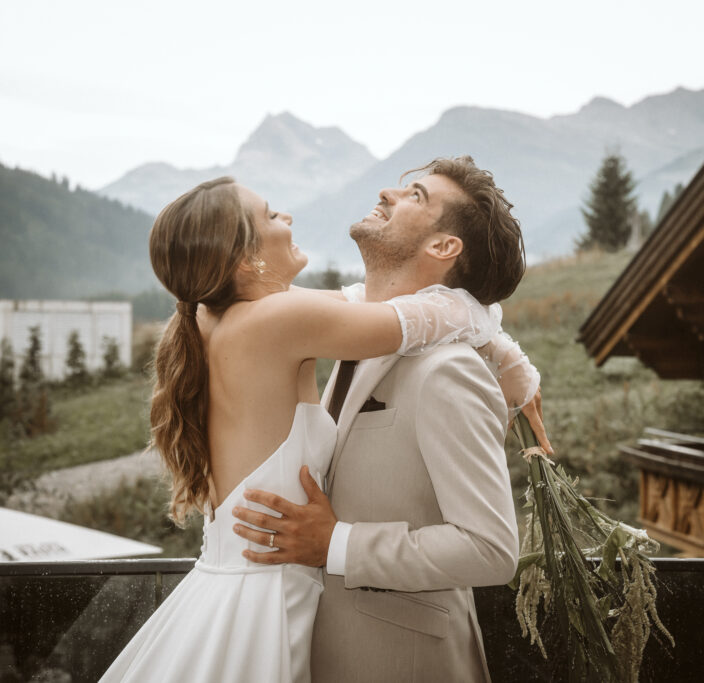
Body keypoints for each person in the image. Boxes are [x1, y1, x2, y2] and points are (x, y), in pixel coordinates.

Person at [99, 168, 544, 682]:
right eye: (269, 214)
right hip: (262, 608)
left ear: (446, 245)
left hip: (265, 600)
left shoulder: (224, 318)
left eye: (415, 193)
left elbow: (370, 303)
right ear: (247, 257)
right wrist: (516, 368)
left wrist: (506, 359)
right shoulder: (279, 322)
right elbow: (428, 315)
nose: (285, 216)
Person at [233, 156, 547, 682]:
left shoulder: (449, 371)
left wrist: (336, 543)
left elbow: (491, 549)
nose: (387, 192)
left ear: (444, 247)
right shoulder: (357, 334)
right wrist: (507, 354)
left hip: (404, 661)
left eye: (416, 196)